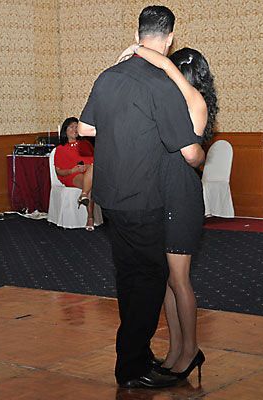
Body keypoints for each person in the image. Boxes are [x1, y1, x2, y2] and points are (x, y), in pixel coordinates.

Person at [78, 6, 205, 389]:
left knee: (128, 278)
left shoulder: (108, 75)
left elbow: (84, 128)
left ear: (137, 34)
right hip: (144, 196)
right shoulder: (161, 85)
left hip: (111, 198)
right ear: (170, 39)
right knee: (150, 280)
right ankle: (132, 366)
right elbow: (188, 152)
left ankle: (135, 354)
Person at [118, 44, 218, 378]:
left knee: (179, 279)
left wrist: (139, 48)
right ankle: (176, 349)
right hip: (161, 196)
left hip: (181, 198)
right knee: (166, 281)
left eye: (174, 77)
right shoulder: (167, 106)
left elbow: (192, 156)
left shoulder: (194, 103)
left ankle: (190, 350)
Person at [54, 117, 96, 230]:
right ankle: (90, 218)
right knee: (89, 185)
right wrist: (73, 170)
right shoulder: (60, 149)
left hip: (89, 173)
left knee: (92, 170)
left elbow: (95, 161)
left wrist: (87, 166)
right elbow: (58, 171)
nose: (75, 129)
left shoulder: (85, 144)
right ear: (65, 130)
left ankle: (83, 195)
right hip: (71, 176)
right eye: (72, 127)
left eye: (77, 127)